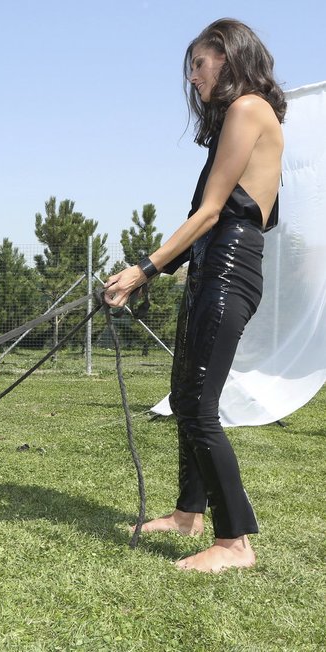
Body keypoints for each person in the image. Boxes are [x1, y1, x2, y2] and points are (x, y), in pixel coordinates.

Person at [104, 18, 286, 573]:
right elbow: (200, 221)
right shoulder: (237, 115)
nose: (192, 77)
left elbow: (212, 214)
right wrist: (149, 274)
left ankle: (236, 543)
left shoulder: (249, 108)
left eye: (199, 64)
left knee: (201, 407)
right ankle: (189, 513)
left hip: (230, 268)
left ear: (228, 59)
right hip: (210, 266)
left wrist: (141, 269)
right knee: (185, 399)